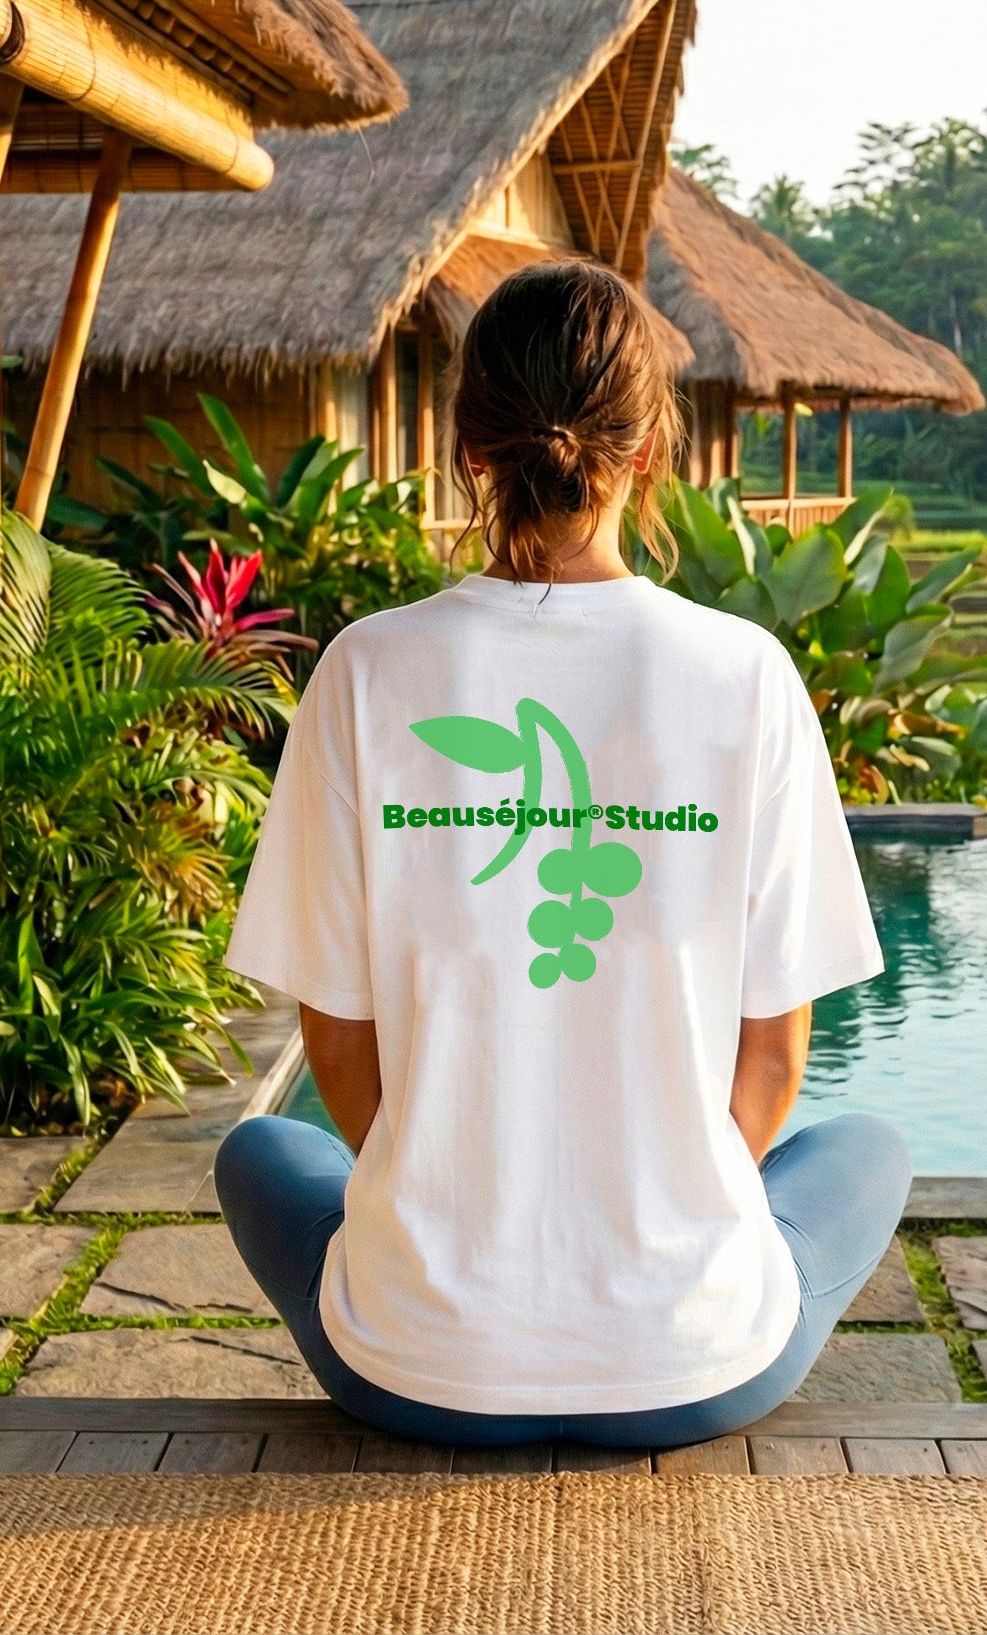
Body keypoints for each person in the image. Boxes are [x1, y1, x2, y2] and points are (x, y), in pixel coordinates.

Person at [217, 259, 910, 1448]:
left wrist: (453, 1202)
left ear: (470, 450)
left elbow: (336, 1041)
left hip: (418, 1369)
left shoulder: (367, 674)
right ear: (649, 452)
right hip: (692, 1365)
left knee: (260, 1152)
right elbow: (777, 1061)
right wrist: (670, 1202)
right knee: (868, 1150)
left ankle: (457, 1301)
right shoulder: (744, 677)